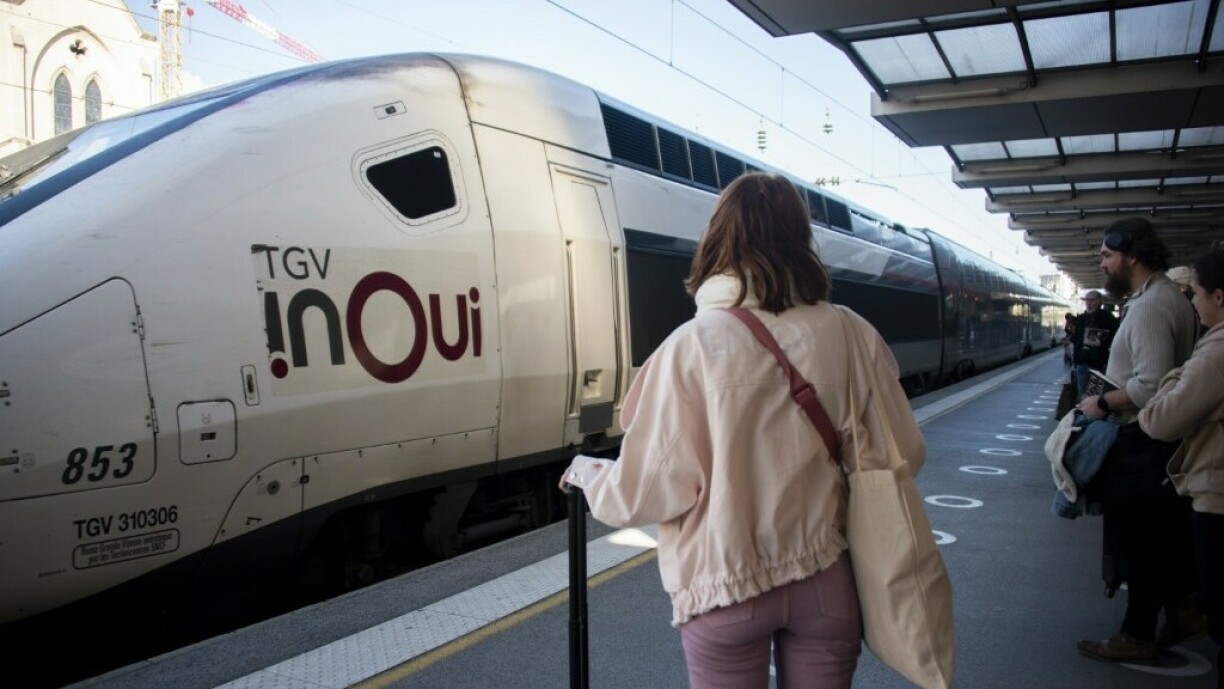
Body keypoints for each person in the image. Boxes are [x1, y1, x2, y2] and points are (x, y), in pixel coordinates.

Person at [560, 172, 925, 689]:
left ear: (718, 239)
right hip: (826, 581)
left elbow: (642, 493)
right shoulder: (851, 333)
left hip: (726, 587)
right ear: (802, 238)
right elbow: (904, 453)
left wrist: (587, 474)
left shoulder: (690, 346)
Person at [1075, 217, 1201, 663]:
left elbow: (1150, 386)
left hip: (1142, 439)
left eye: (1107, 256)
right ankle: (1179, 609)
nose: (1102, 263)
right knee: (1159, 537)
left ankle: (1138, 633)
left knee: (1138, 540)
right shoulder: (1163, 297)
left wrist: (1101, 402)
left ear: (1131, 255)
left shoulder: (1150, 306)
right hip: (1157, 440)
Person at [1138, 247, 1224, 688]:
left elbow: (1160, 418)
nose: (1193, 303)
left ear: (1219, 297)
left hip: (1217, 497)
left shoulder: (1215, 352)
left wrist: (1177, 373)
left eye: (1197, 294)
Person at [1071, 291, 1119, 395]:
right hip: (1082, 361)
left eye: (1092, 300)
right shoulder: (1081, 319)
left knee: (1098, 394)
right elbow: (1076, 340)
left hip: (1100, 362)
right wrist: (1075, 360)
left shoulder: (1108, 318)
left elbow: (1114, 339)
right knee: (1083, 394)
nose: (1089, 303)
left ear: (1100, 301)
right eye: (1087, 300)